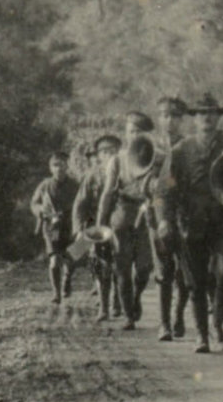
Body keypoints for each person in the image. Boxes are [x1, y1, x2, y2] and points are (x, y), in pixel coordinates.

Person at [158, 92, 223, 353]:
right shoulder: (181, 150)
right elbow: (165, 189)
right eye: (201, 113)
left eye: (212, 113)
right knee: (195, 281)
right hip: (192, 222)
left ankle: (217, 322)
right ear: (194, 119)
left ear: (218, 117)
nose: (207, 117)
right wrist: (164, 220)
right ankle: (202, 334)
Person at [97, 111, 157, 330]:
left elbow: (168, 186)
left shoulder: (155, 157)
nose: (134, 136)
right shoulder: (117, 160)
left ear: (147, 135)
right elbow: (107, 193)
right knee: (122, 268)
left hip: (147, 216)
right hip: (123, 214)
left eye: (139, 132)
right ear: (126, 133)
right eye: (131, 131)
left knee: (144, 268)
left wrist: (156, 198)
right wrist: (100, 223)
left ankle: (136, 297)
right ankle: (128, 315)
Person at [146, 95, 190, 342]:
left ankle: (178, 314)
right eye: (164, 115)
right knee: (163, 270)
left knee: (184, 270)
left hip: (185, 214)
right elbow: (137, 178)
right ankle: (163, 324)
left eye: (175, 116)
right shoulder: (149, 146)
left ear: (182, 120)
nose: (169, 121)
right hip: (158, 212)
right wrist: (149, 184)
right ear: (159, 118)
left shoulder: (189, 145)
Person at [72, 133, 121, 321]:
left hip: (119, 224)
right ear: (99, 155)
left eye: (112, 150)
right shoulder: (92, 176)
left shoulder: (125, 172)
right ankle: (104, 307)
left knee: (121, 265)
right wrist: (78, 230)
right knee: (100, 265)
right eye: (104, 151)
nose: (108, 155)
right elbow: (80, 204)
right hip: (97, 225)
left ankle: (118, 299)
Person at [29, 152, 79, 304]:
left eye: (62, 165)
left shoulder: (75, 186)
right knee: (54, 259)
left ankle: (67, 278)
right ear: (50, 168)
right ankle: (56, 294)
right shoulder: (45, 185)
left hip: (70, 226)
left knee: (71, 258)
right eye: (55, 165)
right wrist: (41, 211)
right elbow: (34, 203)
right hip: (52, 227)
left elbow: (82, 204)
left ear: (67, 166)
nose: (59, 168)